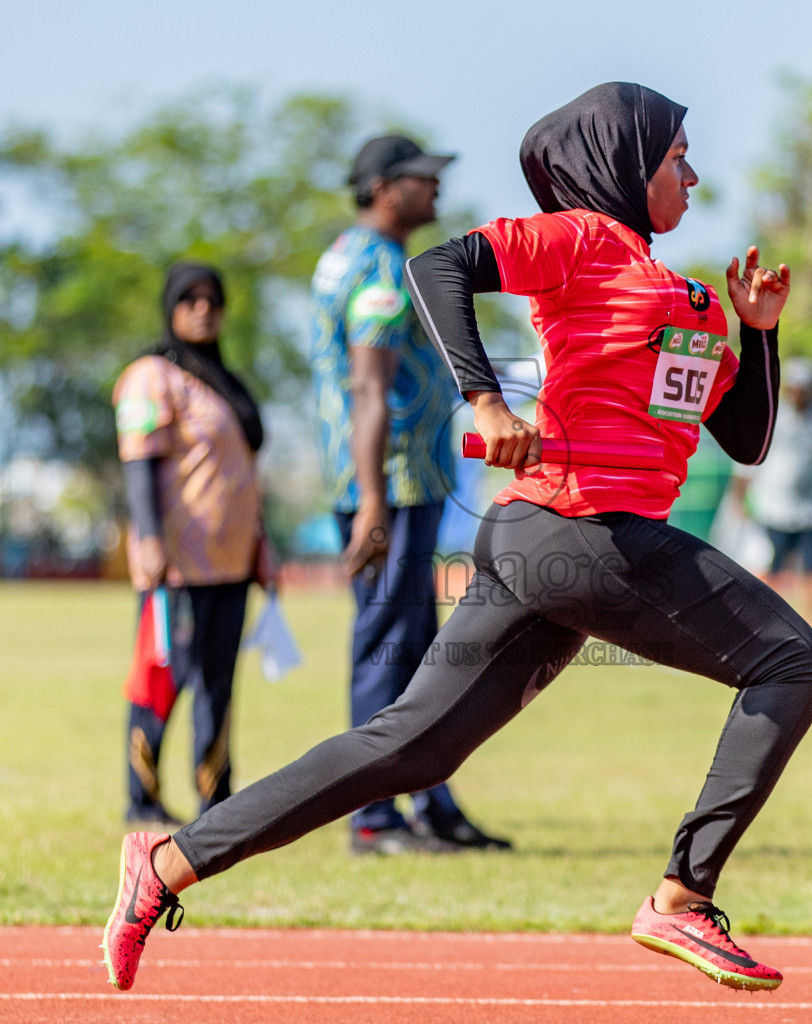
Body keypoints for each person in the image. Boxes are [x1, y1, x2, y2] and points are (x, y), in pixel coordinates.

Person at [102, 82, 812, 994]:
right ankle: (684, 898)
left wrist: (757, 334)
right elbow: (437, 268)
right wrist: (483, 396)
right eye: (677, 156)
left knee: (409, 748)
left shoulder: (678, 295)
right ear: (625, 164)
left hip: (550, 544)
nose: (693, 172)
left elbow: (747, 439)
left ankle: (166, 862)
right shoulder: (579, 239)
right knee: (794, 663)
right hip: (581, 530)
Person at [309, 134, 509, 854]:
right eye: (426, 179)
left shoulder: (346, 254)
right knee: (390, 650)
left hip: (392, 482)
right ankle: (375, 817)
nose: (437, 192)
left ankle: (432, 804)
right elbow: (369, 386)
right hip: (388, 484)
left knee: (417, 648)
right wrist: (371, 501)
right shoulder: (382, 271)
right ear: (386, 188)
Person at [111, 263, 269, 825]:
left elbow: (241, 471)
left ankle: (215, 801)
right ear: (170, 308)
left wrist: (260, 542)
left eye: (213, 300)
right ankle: (142, 798)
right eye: (190, 299)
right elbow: (139, 463)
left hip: (230, 562)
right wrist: (150, 538)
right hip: (177, 563)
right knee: (164, 677)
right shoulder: (153, 376)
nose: (203, 309)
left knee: (219, 684)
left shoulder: (223, 380)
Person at [726, 357, 812, 622]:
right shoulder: (772, 419)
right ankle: (765, 620)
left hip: (809, 509)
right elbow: (748, 461)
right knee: (771, 569)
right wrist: (739, 500)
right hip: (772, 508)